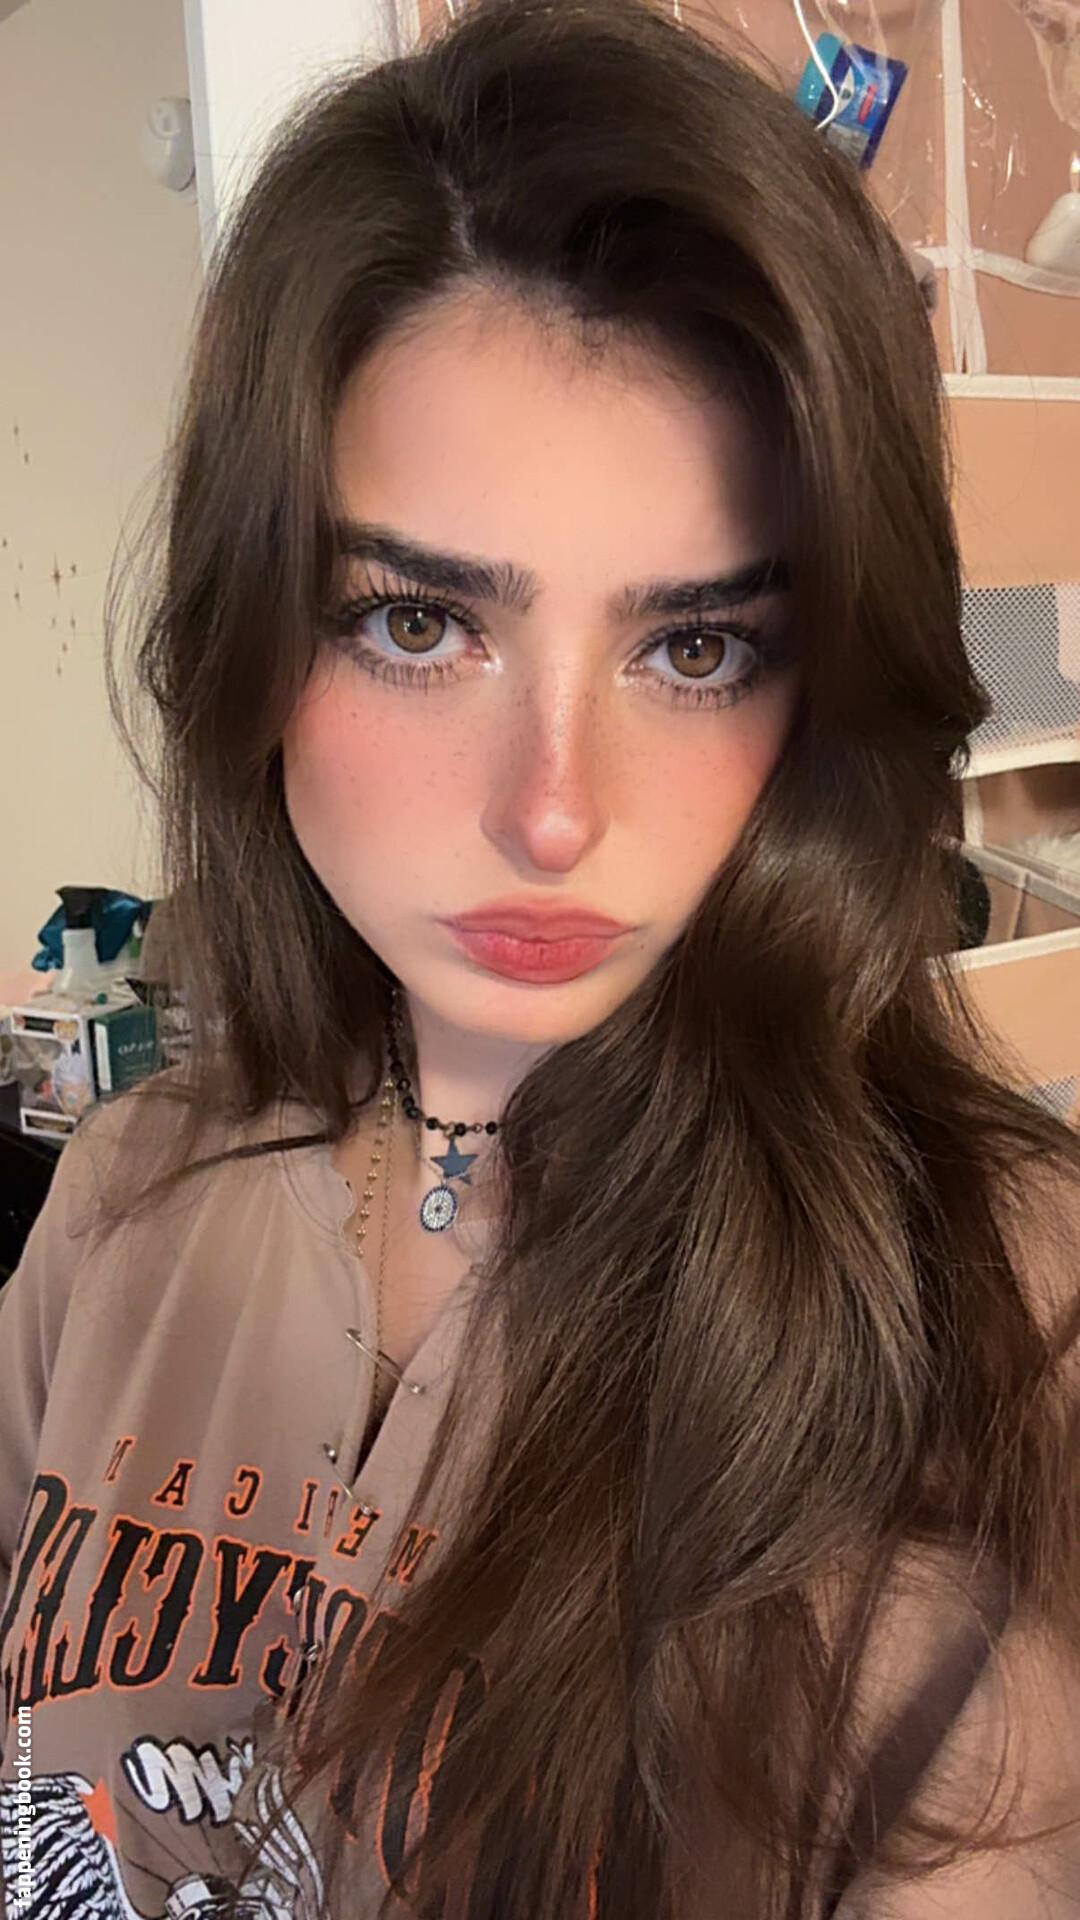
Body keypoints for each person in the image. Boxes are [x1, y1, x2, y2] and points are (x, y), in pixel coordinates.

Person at [2, 1, 1080, 1915]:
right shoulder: (127, 1196)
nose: (556, 814)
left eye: (695, 647)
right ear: (257, 634)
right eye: (420, 623)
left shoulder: (1007, 1310)